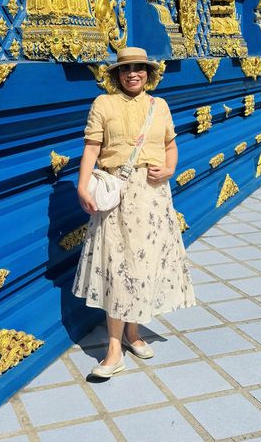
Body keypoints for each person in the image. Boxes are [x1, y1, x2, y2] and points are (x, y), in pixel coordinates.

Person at [73, 47, 195, 378]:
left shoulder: (160, 106)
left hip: (153, 196)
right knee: (117, 267)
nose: (133, 74)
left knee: (143, 266)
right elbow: (91, 147)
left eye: (139, 68)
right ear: (116, 74)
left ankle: (133, 333)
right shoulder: (104, 104)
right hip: (116, 194)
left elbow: (171, 145)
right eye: (126, 69)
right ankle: (114, 350)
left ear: (148, 72)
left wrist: (169, 170)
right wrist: (82, 187)